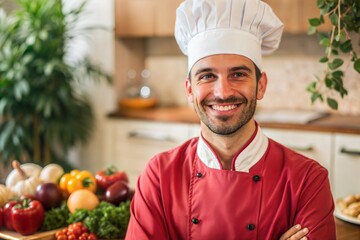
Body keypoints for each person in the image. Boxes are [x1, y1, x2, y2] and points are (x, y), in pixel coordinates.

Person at [125, 0, 336, 239]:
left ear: (261, 85)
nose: (223, 92)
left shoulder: (307, 181)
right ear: (190, 90)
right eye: (207, 76)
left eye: (238, 74)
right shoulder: (159, 176)